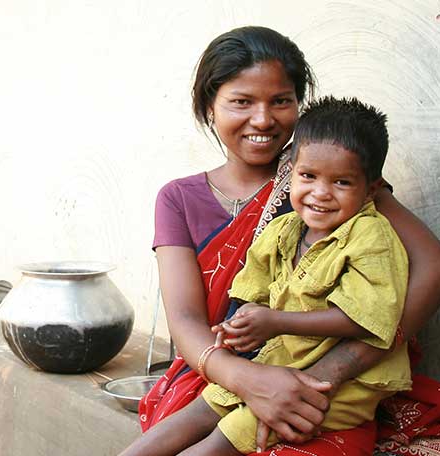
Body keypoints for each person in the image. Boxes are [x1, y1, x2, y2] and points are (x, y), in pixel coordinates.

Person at [132, 26, 440, 455]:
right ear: (209, 106)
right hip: (220, 371)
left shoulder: (336, 179)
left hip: (325, 376)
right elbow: (188, 322)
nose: (263, 119)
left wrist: (333, 369)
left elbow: (438, 272)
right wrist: (250, 379)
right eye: (241, 102)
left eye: (281, 101)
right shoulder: (178, 198)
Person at [124, 96, 411, 455]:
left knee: (222, 438)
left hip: (343, 384)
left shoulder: (371, 237)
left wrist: (275, 321)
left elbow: (364, 320)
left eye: (341, 182)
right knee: (203, 407)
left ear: (371, 189)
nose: (320, 193)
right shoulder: (286, 230)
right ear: (292, 172)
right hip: (280, 358)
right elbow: (250, 292)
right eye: (308, 176)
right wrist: (238, 327)